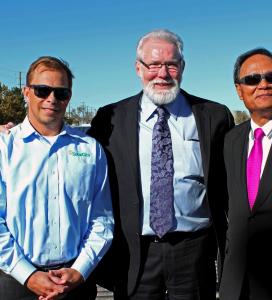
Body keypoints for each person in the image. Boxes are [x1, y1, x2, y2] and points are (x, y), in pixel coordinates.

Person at [88, 29, 234, 300]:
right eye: (154, 65)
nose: (163, 74)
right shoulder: (111, 118)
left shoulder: (214, 116)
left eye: (171, 65)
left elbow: (243, 158)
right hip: (135, 253)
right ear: (138, 68)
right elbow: (78, 155)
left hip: (194, 250)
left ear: (182, 66)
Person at [0, 56, 114, 300]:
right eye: (43, 90)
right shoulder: (4, 147)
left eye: (61, 93)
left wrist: (80, 269)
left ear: (69, 97)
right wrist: (28, 275)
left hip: (74, 283)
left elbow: (102, 218)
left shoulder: (91, 150)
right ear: (26, 92)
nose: (52, 99)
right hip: (14, 281)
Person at [219, 48, 272, 300]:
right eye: (252, 80)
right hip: (237, 282)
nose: (263, 85)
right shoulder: (231, 140)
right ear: (239, 90)